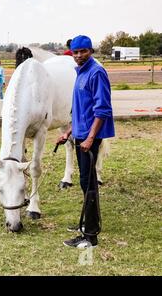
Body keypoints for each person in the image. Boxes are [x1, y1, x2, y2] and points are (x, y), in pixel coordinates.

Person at [57, 35, 115, 249]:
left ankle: (90, 235)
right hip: (80, 134)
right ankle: (89, 221)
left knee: (88, 183)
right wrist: (69, 132)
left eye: (83, 51)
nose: (79, 55)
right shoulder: (80, 72)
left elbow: (102, 110)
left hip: (90, 137)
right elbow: (82, 110)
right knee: (85, 182)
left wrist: (91, 138)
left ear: (91, 51)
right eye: (76, 52)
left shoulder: (96, 72)